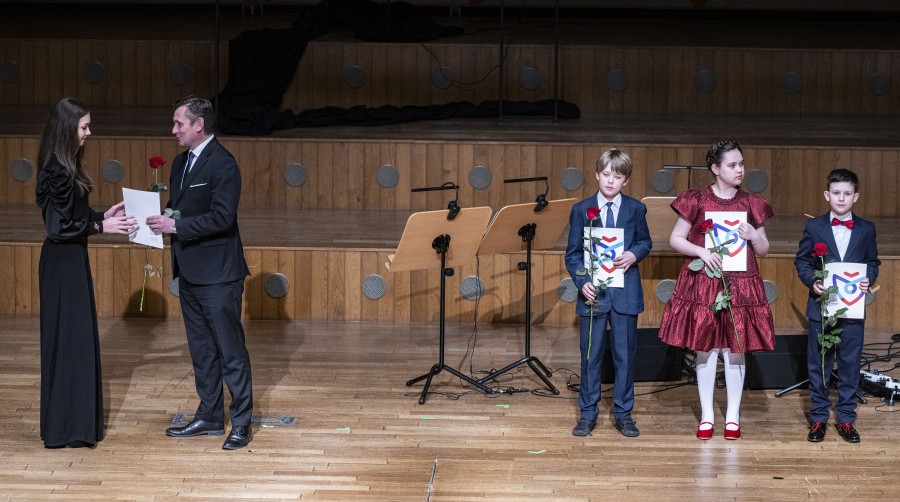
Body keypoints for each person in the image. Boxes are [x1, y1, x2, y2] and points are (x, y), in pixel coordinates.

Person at [147, 96, 253, 450]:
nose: (173, 130)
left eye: (179, 123)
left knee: (230, 351)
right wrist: (155, 220)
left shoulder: (223, 164)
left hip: (219, 275)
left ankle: (241, 422)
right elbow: (179, 211)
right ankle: (209, 415)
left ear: (199, 125)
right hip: (190, 272)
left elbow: (223, 217)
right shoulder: (180, 163)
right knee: (202, 351)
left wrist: (175, 227)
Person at [658, 140, 775, 440]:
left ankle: (733, 417)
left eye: (741, 164)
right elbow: (676, 239)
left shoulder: (751, 203)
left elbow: (764, 249)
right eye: (732, 165)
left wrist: (754, 236)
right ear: (715, 168)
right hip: (705, 283)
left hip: (741, 283)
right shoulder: (697, 199)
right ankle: (707, 416)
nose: (740, 170)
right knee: (706, 349)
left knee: (735, 350)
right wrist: (701, 251)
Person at [36, 98, 136, 448]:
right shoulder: (55, 170)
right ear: (67, 129)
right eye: (84, 127)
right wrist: (101, 226)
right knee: (68, 343)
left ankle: (75, 426)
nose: (89, 133)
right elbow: (57, 228)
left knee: (76, 343)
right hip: (61, 264)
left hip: (72, 259)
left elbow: (74, 216)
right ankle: (65, 429)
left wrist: (102, 215)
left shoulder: (67, 167)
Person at [565, 148, 652, 437]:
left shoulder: (636, 209)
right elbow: (573, 255)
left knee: (625, 357)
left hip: (625, 293)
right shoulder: (581, 210)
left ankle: (623, 414)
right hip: (594, 295)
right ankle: (587, 413)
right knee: (590, 357)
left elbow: (645, 242)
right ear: (596, 175)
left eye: (617, 176)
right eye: (606, 175)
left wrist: (634, 254)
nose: (610, 181)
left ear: (626, 180)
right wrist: (582, 282)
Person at [795, 168, 879, 443]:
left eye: (847, 193)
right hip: (821, 307)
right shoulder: (814, 227)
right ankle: (819, 417)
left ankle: (845, 418)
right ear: (827, 195)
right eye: (836, 193)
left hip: (852, 309)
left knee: (850, 364)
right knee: (819, 364)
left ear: (856, 197)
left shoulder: (866, 228)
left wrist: (868, 278)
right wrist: (812, 282)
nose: (841, 198)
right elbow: (802, 261)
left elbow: (872, 262)